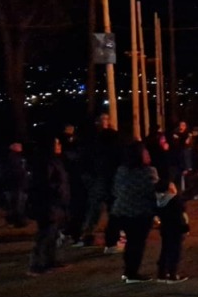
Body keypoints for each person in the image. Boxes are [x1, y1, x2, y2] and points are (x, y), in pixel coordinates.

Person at [109, 142, 158, 283]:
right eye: (145, 152)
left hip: (122, 211)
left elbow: (115, 190)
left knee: (131, 242)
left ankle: (129, 271)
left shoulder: (122, 170)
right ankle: (132, 273)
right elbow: (153, 191)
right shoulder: (148, 172)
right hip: (140, 212)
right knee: (137, 243)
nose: (148, 155)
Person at [76, 115, 122, 247]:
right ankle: (89, 233)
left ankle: (109, 234)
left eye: (107, 119)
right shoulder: (94, 140)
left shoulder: (109, 139)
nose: (105, 122)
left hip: (107, 177)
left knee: (108, 207)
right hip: (101, 177)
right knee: (98, 207)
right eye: (102, 119)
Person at [27, 138, 70, 276]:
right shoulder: (46, 162)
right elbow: (44, 183)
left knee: (53, 234)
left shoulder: (54, 160)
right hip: (48, 204)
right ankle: (37, 264)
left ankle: (50, 261)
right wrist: (58, 191)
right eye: (56, 143)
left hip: (56, 204)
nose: (59, 145)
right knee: (46, 233)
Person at [153, 180, 190, 283]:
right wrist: (185, 228)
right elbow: (180, 216)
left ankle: (162, 273)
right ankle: (172, 274)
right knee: (175, 251)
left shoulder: (159, 201)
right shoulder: (174, 200)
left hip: (165, 228)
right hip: (176, 229)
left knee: (165, 250)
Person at [2, 143, 30, 228]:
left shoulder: (17, 160)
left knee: (17, 205)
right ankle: (18, 221)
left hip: (18, 185)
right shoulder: (15, 160)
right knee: (17, 205)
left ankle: (16, 221)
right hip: (17, 185)